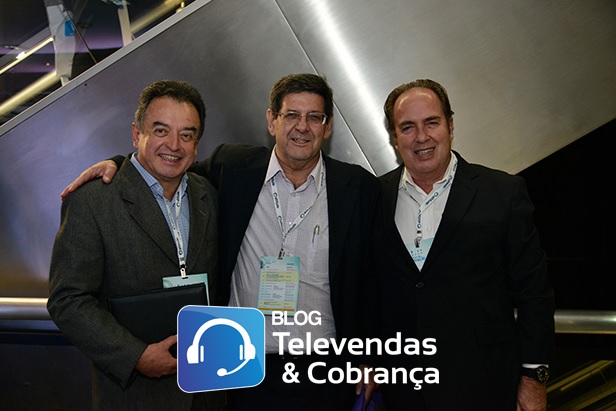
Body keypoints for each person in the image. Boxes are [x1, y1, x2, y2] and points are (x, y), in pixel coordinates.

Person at [60, 73, 381, 411]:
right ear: (272, 120)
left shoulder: (358, 188)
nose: (302, 127)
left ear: (328, 127)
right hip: (243, 370)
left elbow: (373, 279)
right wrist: (117, 163)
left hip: (326, 372)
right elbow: (163, 164)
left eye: (314, 117)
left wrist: (371, 354)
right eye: (291, 115)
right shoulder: (233, 168)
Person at [375, 79, 555, 411]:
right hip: (402, 392)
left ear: (451, 125)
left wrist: (534, 378)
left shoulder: (502, 193)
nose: (422, 137)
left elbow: (535, 294)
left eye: (431, 122)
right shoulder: (373, 198)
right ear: (394, 138)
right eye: (407, 127)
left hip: (486, 387)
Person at [48, 80, 223, 410]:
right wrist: (136, 356)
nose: (174, 145)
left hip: (206, 393)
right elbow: (67, 300)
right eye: (161, 130)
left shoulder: (209, 196)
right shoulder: (93, 201)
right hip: (134, 395)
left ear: (197, 144)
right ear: (136, 133)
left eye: (187, 135)